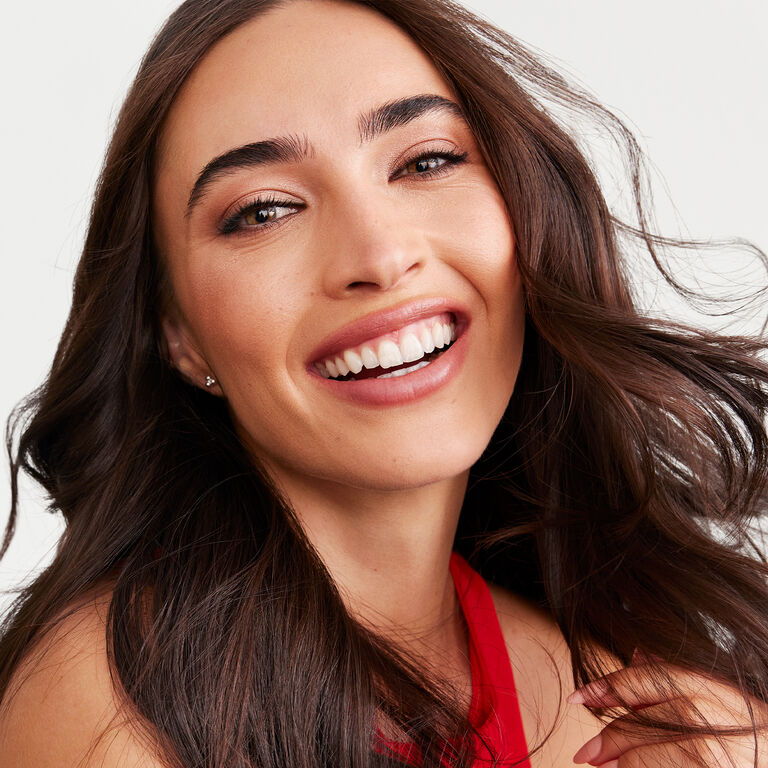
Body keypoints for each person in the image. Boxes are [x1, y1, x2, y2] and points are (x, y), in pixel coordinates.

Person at [1, 0, 767, 766]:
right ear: (177, 333)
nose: (378, 254)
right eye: (265, 210)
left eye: (425, 161)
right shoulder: (111, 706)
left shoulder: (617, 700)